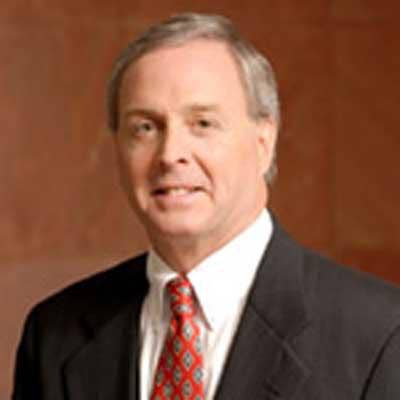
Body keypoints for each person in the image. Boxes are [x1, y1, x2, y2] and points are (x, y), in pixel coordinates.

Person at [13, 12, 400, 400]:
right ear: (117, 149)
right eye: (145, 127)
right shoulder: (54, 336)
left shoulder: (380, 334)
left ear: (264, 143)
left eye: (202, 124)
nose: (170, 154)